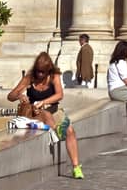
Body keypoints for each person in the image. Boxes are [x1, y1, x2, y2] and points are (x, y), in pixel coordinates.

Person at [8, 52, 83, 180]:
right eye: (38, 71)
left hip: (53, 108)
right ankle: (57, 130)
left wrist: (44, 102)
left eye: (43, 72)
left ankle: (76, 167)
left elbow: (60, 95)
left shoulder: (54, 76)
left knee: (70, 131)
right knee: (46, 114)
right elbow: (10, 96)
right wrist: (20, 96)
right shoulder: (29, 78)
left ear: (48, 70)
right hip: (34, 113)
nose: (40, 74)